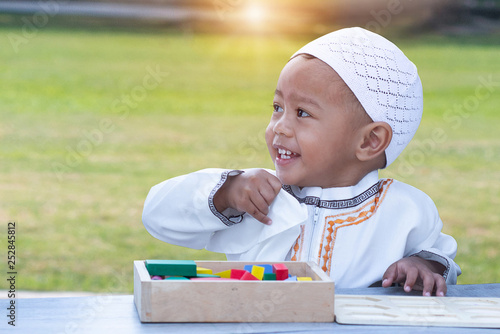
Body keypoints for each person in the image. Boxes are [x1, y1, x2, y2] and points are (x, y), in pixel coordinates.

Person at [142, 27, 461, 296]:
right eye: (277, 106)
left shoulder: (405, 210)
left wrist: (424, 265)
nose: (279, 126)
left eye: (302, 113)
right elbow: (158, 216)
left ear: (369, 141)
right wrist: (227, 191)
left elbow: (442, 259)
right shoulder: (258, 199)